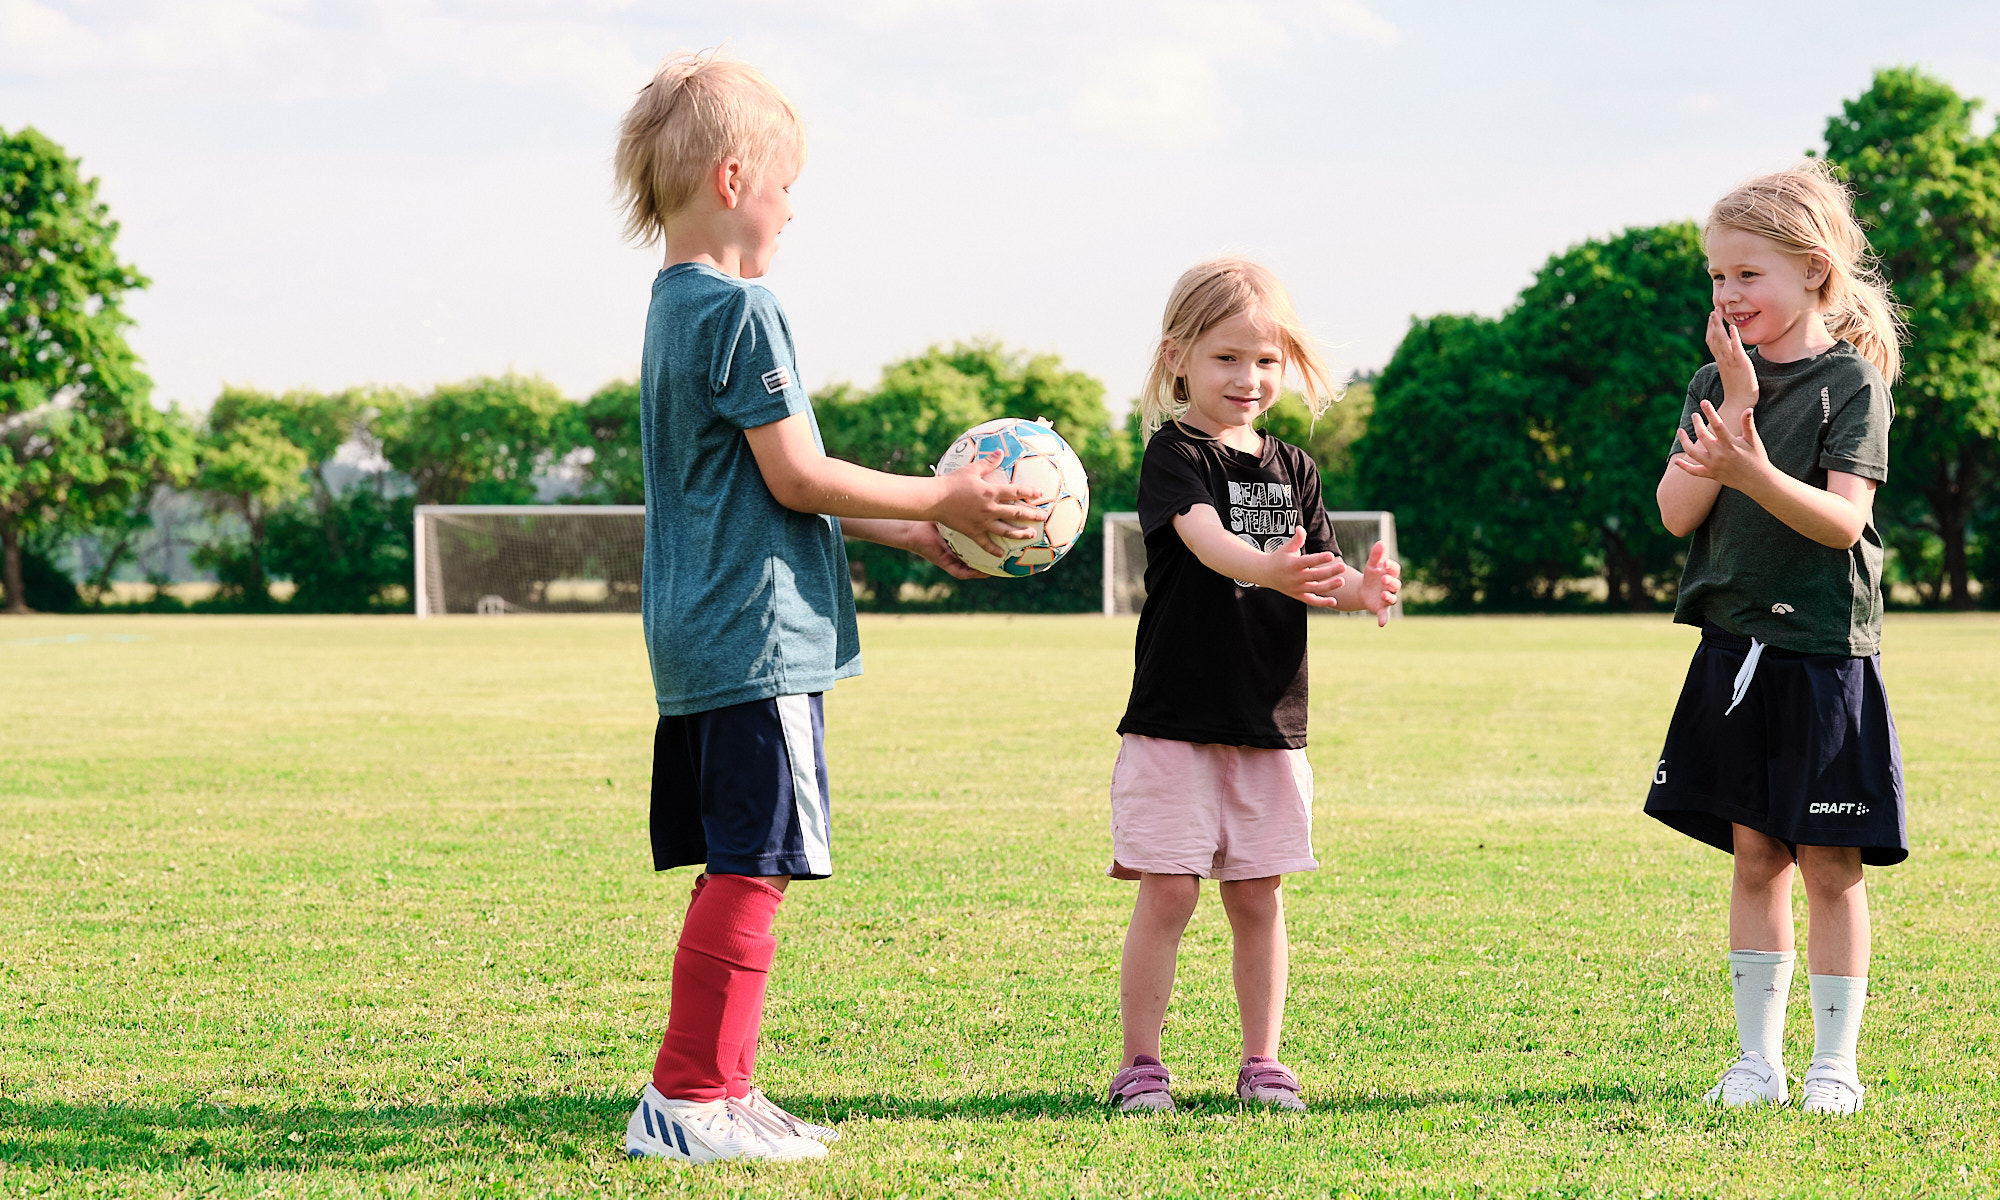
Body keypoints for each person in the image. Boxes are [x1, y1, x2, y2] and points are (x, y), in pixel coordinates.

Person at [610, 50, 1045, 1163]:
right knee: (755, 863)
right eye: (790, 186)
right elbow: (800, 475)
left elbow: (761, 487)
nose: (795, 210)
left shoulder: (670, 309)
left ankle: (727, 1088)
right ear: (734, 176)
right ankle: (687, 1097)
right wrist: (946, 492)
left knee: (743, 859)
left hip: (700, 631)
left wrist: (908, 527)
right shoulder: (745, 313)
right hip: (756, 640)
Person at [1104, 258, 1400, 1115]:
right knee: (1168, 890)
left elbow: (1319, 572)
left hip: (1270, 722)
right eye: (1228, 358)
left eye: (1267, 361)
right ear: (1178, 359)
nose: (1249, 379)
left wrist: (1360, 588)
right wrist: (1268, 568)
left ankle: (1263, 1063)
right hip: (1174, 720)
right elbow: (1204, 541)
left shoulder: (1294, 468)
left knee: (1258, 894)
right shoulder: (1176, 454)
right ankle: (1141, 1066)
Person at [1647, 162, 1907, 1117]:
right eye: (1716, 278)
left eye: (1746, 274)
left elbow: (1842, 526)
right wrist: (1737, 406)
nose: (1727, 294)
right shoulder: (1714, 385)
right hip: (1732, 653)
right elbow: (1677, 515)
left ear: (1812, 272)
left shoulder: (1852, 386)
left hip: (1825, 661)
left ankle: (1834, 1064)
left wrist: (1752, 468)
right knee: (1756, 858)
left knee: (1830, 868)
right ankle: (1757, 1061)